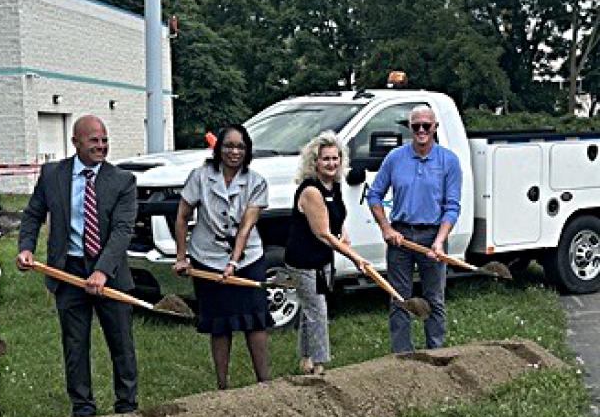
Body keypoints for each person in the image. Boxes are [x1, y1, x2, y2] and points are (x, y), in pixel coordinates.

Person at [16, 115, 138, 417]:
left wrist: (102, 270)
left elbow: (123, 230)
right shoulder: (53, 175)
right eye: (94, 140)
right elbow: (33, 215)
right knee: (75, 344)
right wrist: (26, 248)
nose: (101, 146)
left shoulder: (122, 181)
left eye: (104, 140)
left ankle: (127, 405)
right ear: (75, 142)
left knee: (121, 342)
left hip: (110, 273)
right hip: (67, 270)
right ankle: (82, 408)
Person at [171, 124, 271, 390]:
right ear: (219, 148)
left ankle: (265, 383)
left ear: (247, 151)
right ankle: (222, 387)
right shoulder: (200, 176)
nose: (234, 152)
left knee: (255, 319)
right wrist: (181, 256)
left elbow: (246, 228)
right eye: (228, 146)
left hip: (248, 258)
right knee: (219, 323)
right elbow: (182, 217)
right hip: (206, 256)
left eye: (240, 147)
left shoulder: (257, 182)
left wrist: (233, 263)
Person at [366, 105, 462, 353]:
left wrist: (440, 241)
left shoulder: (448, 161)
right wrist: (386, 229)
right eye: (415, 126)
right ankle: (402, 357)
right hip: (401, 237)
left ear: (435, 128)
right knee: (400, 299)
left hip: (433, 236)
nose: (421, 130)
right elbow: (374, 195)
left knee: (434, 299)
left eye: (426, 126)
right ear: (409, 128)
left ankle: (436, 352)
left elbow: (452, 207)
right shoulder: (395, 158)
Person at [284, 131, 367, 375]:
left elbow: (336, 216)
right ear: (315, 163)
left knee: (311, 309)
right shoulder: (311, 190)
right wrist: (355, 257)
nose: (331, 163)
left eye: (335, 158)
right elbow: (322, 233)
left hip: (322, 259)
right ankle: (320, 366)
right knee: (318, 310)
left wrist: (344, 230)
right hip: (303, 260)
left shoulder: (335, 185)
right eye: (325, 159)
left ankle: (306, 360)